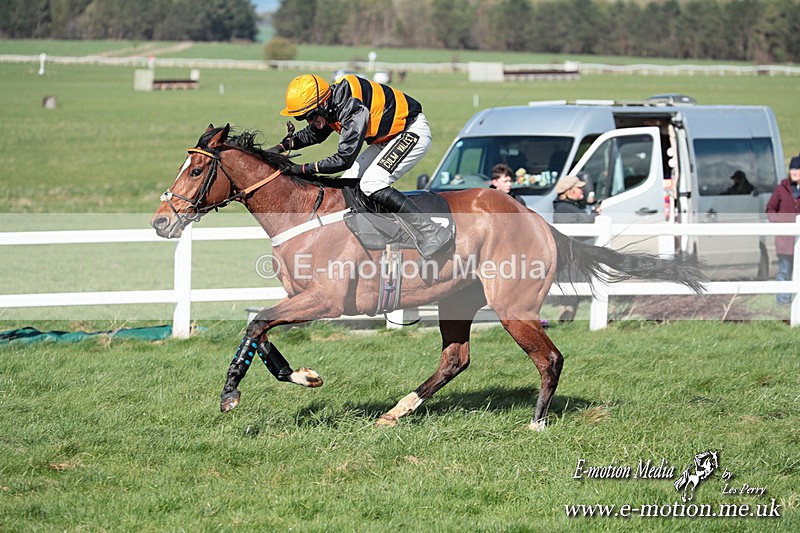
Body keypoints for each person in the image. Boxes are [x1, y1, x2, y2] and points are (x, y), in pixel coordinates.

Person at [270, 73, 452, 258]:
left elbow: (343, 159)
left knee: (372, 183)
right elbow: (316, 133)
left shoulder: (351, 108)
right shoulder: (332, 104)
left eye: (309, 116)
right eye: (303, 118)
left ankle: (432, 231)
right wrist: (282, 146)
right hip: (386, 139)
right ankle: (380, 235)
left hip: (411, 132)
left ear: (323, 104)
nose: (309, 122)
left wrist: (301, 169)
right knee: (347, 184)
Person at [552, 175, 599, 320]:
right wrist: (595, 213)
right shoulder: (564, 208)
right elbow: (586, 221)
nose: (582, 191)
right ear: (569, 191)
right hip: (570, 257)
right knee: (571, 289)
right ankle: (565, 317)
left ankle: (568, 317)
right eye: (579, 188)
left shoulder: (569, 207)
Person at [765, 156, 800, 304]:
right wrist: (780, 222)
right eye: (793, 168)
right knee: (784, 271)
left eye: (798, 169)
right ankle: (783, 303)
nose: (795, 172)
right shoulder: (781, 189)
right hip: (785, 240)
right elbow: (770, 209)